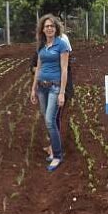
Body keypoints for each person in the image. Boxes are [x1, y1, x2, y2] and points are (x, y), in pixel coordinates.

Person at [30, 14, 69, 172]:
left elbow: (65, 69)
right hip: (41, 87)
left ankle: (58, 155)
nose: (49, 28)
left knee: (49, 120)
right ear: (43, 29)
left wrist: (62, 92)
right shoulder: (41, 45)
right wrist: (33, 89)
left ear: (56, 28)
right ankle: (54, 150)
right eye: (46, 26)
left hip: (54, 87)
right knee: (46, 119)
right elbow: (38, 68)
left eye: (52, 26)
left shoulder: (62, 45)